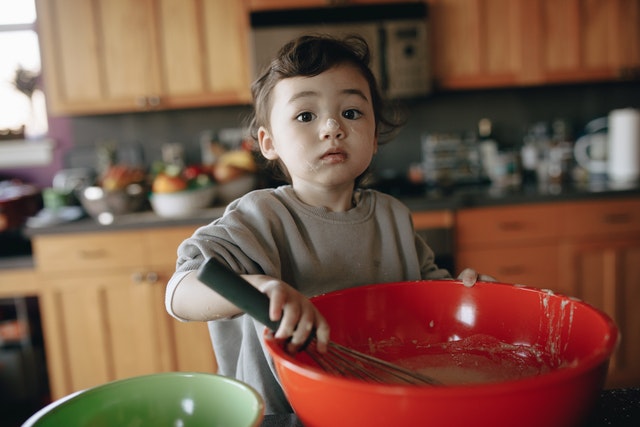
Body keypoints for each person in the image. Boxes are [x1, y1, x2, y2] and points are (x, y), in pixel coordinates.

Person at [165, 34, 491, 414]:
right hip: (283, 414)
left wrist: (468, 294)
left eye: (352, 112)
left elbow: (428, 299)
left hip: (383, 406)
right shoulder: (257, 218)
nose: (333, 126)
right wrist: (259, 287)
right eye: (306, 116)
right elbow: (180, 291)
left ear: (374, 137)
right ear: (269, 143)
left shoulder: (393, 217)